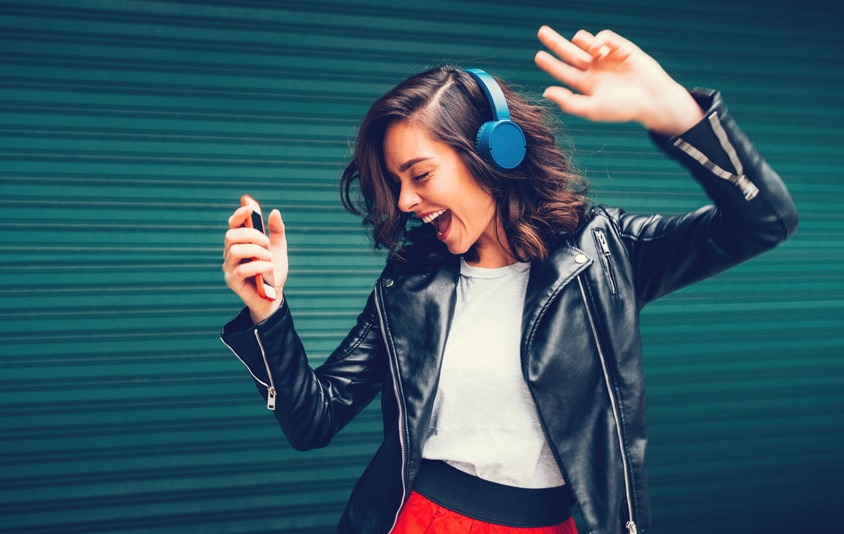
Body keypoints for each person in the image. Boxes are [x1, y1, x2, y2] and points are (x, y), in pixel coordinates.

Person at [220, 26, 798, 534]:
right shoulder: (408, 284)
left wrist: (677, 113)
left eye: (419, 175)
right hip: (422, 522)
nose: (405, 201)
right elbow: (314, 419)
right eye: (396, 183)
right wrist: (266, 311)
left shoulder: (604, 252)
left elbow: (763, 219)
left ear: (495, 152)